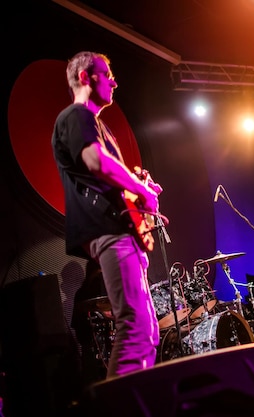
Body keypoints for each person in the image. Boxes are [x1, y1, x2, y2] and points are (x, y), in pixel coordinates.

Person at [52, 51, 162, 379]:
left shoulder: (99, 125)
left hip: (119, 228)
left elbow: (110, 178)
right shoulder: (76, 116)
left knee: (147, 331)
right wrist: (142, 192)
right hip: (108, 230)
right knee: (133, 327)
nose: (114, 81)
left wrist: (140, 186)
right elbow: (96, 162)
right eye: (106, 73)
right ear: (86, 78)